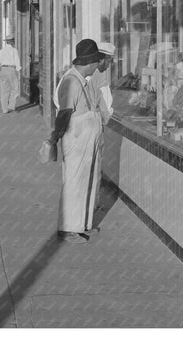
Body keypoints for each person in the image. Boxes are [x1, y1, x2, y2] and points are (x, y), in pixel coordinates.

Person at [49, 39, 106, 244]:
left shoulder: (83, 80)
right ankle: (68, 229)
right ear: (89, 62)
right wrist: (54, 138)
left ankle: (82, 225)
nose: (98, 65)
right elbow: (64, 114)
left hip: (87, 139)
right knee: (74, 182)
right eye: (96, 61)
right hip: (76, 138)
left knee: (87, 181)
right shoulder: (71, 81)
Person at [87, 42, 116, 217]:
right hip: (94, 124)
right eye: (110, 61)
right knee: (94, 168)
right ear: (104, 59)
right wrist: (107, 115)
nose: (110, 65)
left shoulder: (84, 72)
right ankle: (93, 205)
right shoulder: (102, 76)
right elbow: (107, 104)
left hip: (80, 126)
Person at [0, 34, 21, 113]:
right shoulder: (14, 50)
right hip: (11, 70)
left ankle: (4, 109)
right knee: (15, 88)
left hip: (3, 70)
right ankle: (11, 105)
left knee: (3, 90)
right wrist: (19, 72)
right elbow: (17, 62)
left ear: (6, 42)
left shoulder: (1, 51)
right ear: (12, 42)